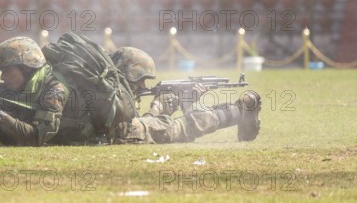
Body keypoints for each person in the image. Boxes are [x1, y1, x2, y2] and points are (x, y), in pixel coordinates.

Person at [110, 47, 261, 144]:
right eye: (140, 80)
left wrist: (161, 107)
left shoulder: (107, 91)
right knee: (186, 125)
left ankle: (239, 111)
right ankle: (240, 111)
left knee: (177, 123)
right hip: (123, 134)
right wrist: (158, 106)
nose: (143, 86)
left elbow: (138, 123)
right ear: (128, 75)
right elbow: (136, 127)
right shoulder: (115, 97)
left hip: (121, 133)